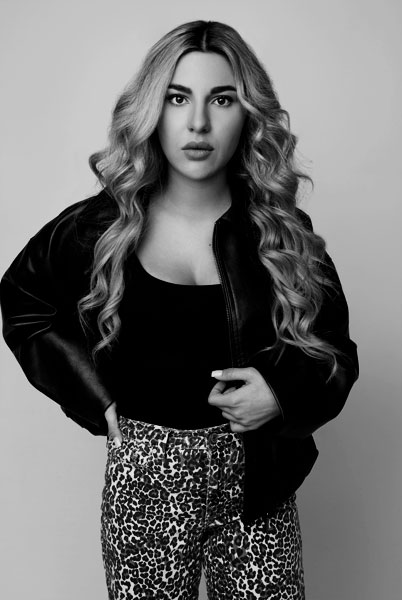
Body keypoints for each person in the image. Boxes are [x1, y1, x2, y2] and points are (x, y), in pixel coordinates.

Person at [0, 19, 358, 600]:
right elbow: (24, 302)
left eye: (222, 99)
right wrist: (93, 396)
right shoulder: (101, 227)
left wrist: (281, 394)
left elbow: (337, 355)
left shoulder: (282, 233)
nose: (197, 123)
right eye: (176, 98)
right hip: (146, 483)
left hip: (258, 484)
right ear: (152, 109)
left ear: (248, 114)